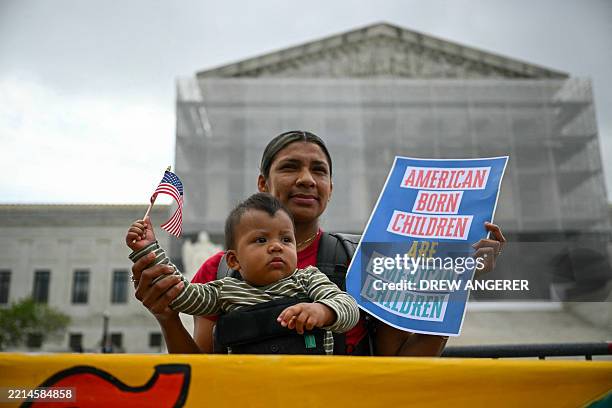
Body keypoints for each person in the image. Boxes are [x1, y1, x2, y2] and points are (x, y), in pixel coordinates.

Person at [128, 130, 506, 356]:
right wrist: (166, 316)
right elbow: (202, 369)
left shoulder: (366, 262)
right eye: (291, 167)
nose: (307, 179)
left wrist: (455, 282)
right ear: (263, 183)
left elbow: (402, 365)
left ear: (330, 188)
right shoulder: (219, 270)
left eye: (319, 170)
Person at [126, 193, 359, 355]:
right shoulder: (224, 290)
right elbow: (179, 292)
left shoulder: (309, 279)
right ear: (234, 260)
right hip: (245, 392)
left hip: (308, 391)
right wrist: (149, 250)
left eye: (286, 239)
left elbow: (348, 307)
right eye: (261, 239)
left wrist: (323, 310)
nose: (276, 246)